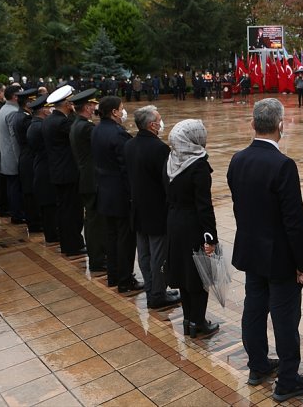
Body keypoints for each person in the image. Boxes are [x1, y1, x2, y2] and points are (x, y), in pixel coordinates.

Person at [227, 98, 303, 402]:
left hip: (252, 253)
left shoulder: (237, 159)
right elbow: (294, 221)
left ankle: (258, 366)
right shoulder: (282, 165)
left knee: (254, 309)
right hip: (279, 258)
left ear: (253, 125)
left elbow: (241, 207)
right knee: (285, 318)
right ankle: (288, 380)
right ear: (281, 125)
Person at [166, 119, 219, 338]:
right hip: (193, 224)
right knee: (199, 274)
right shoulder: (198, 165)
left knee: (183, 273)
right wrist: (210, 237)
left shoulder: (172, 160)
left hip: (174, 221)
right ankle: (199, 322)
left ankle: (188, 320)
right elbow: (204, 205)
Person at [125, 106, 179, 309]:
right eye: (159, 119)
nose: (161, 122)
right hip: (156, 210)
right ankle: (157, 295)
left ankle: (153, 289)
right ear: (152, 125)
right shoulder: (159, 149)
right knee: (157, 255)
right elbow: (166, 182)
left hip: (138, 208)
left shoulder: (130, 144)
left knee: (145, 254)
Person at [92, 96, 141, 293]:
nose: (123, 112)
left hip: (104, 190)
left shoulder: (96, 130)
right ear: (113, 112)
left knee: (111, 237)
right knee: (125, 240)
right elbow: (126, 167)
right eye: (121, 109)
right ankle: (125, 280)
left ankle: (113, 276)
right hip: (120, 194)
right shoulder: (118, 134)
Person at [42, 85, 87, 256]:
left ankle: (68, 243)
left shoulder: (49, 120)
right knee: (72, 211)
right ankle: (73, 245)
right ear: (68, 104)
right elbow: (78, 130)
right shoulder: (63, 122)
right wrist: (76, 112)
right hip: (68, 172)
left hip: (57, 171)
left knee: (64, 209)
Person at [69, 89, 106, 272]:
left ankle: (98, 256)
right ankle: (98, 259)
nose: (94, 108)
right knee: (95, 222)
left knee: (93, 220)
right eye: (92, 105)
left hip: (85, 177)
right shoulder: (86, 127)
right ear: (86, 106)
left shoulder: (77, 124)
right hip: (92, 179)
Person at [27, 95, 57, 244]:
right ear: (44, 110)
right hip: (45, 169)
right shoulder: (40, 126)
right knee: (49, 204)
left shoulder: (35, 124)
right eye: (49, 108)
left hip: (41, 167)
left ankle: (51, 233)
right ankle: (52, 235)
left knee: (48, 205)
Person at [11, 89, 42, 233]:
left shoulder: (19, 115)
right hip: (29, 157)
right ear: (28, 103)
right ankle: (35, 223)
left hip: (25, 156)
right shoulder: (25, 118)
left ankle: (34, 221)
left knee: (30, 192)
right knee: (31, 193)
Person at [0, 84, 24, 224]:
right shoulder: (12, 112)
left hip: (5, 154)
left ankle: (15, 212)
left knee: (11, 185)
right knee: (15, 187)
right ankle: (17, 214)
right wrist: (20, 158)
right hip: (13, 155)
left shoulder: (4, 108)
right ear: (15, 97)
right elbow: (15, 138)